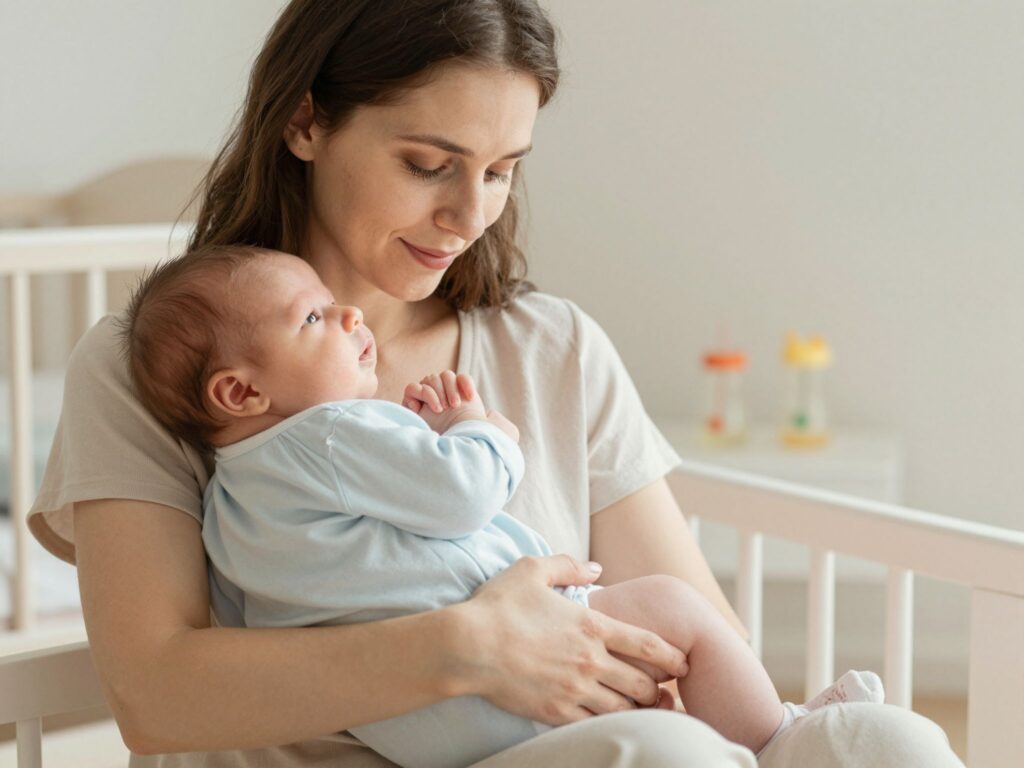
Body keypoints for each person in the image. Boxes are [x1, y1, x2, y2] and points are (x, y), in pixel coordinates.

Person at [28, 1, 964, 767]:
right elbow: (156, 696)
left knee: (892, 741)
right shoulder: (161, 372)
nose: (468, 213)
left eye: (501, 172)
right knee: (662, 753)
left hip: (580, 743)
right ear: (306, 122)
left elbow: (691, 631)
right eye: (428, 165)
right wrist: (471, 648)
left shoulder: (553, 347)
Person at [121, 246, 886, 768]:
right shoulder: (330, 433)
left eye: (500, 169)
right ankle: (780, 737)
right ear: (241, 391)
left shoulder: (226, 508)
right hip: (502, 682)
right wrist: (481, 431)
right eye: (314, 319)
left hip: (416, 730)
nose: (349, 317)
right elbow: (461, 494)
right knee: (670, 607)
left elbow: (267, 610)